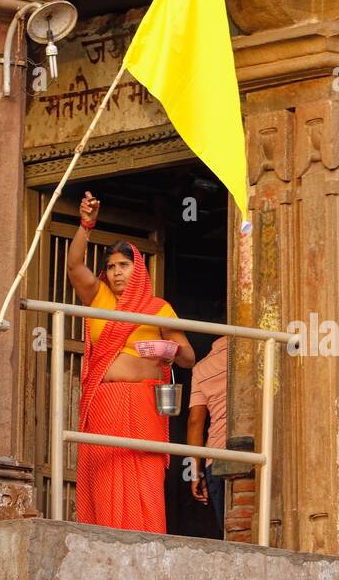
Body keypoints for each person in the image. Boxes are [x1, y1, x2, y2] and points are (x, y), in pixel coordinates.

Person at [67, 192, 195, 532]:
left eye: (123, 265)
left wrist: (168, 351)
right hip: (104, 404)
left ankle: (148, 540)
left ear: (138, 268)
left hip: (144, 405)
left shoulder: (158, 308)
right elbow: (74, 265)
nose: (116, 272)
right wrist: (85, 226)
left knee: (143, 476)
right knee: (107, 472)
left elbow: (188, 356)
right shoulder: (99, 297)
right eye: (110, 266)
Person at [187, 335, 229, 529]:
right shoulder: (255, 350)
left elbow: (195, 423)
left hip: (215, 455)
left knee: (228, 528)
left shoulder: (201, 368)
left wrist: (194, 474)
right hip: (254, 448)